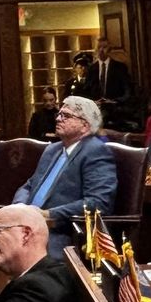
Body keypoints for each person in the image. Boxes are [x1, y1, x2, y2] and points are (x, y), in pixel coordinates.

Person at [11, 95, 115, 255]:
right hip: (27, 225)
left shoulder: (96, 151)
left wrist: (48, 214)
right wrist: (20, 207)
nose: (58, 119)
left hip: (62, 232)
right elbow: (30, 185)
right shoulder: (52, 150)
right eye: (58, 114)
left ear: (85, 125)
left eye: (66, 116)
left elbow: (98, 202)